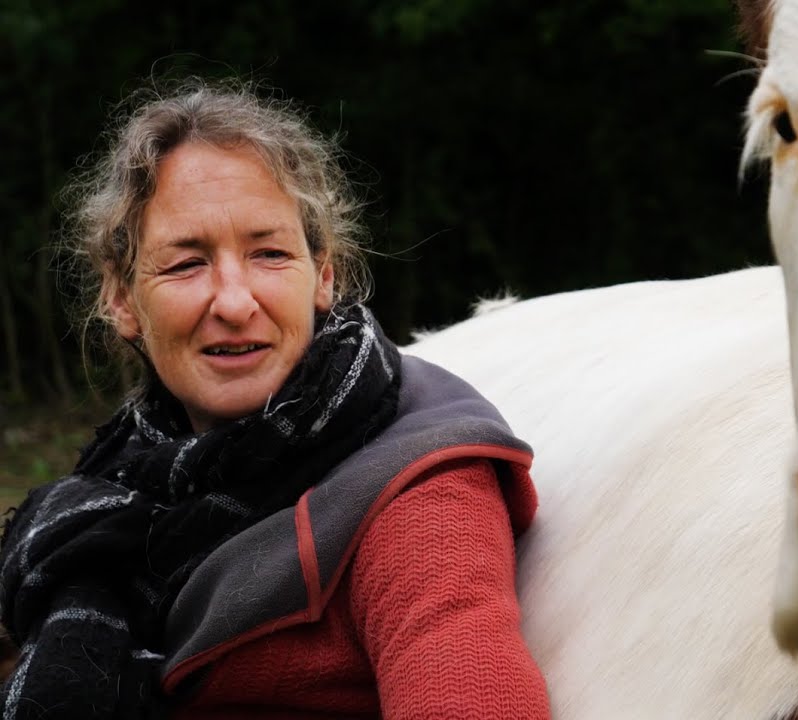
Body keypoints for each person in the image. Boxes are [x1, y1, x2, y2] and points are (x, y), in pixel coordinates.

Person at [0, 79, 552, 719]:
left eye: (269, 254)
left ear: (324, 275)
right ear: (121, 298)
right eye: (186, 264)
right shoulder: (122, 482)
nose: (234, 302)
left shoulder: (416, 494)